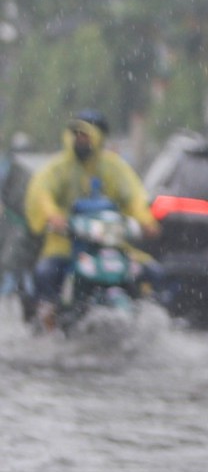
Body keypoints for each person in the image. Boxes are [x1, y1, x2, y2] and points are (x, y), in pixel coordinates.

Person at [24, 110, 159, 331]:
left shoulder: (113, 167)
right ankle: (48, 320)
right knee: (46, 273)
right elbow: (42, 193)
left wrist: (146, 220)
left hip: (110, 245)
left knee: (151, 273)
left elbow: (133, 196)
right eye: (77, 135)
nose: (81, 140)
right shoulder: (59, 168)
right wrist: (53, 216)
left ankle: (148, 311)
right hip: (66, 245)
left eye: (86, 135)